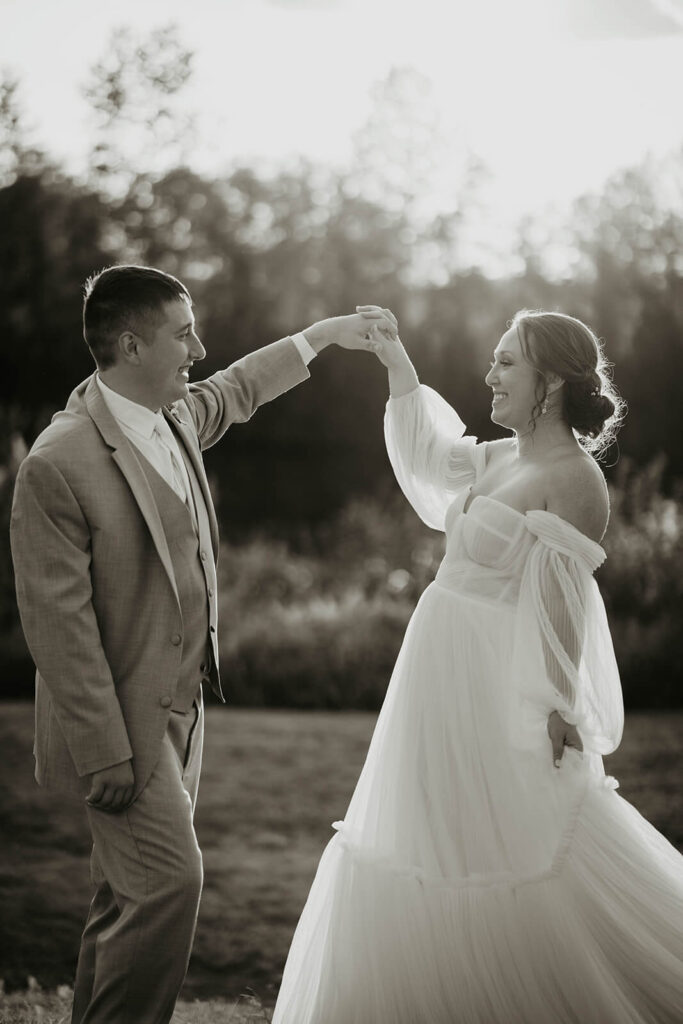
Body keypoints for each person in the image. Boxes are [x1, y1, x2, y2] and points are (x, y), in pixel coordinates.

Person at [9, 264, 397, 1024]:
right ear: (129, 343)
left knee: (125, 894)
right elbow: (58, 625)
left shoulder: (175, 414)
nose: (199, 347)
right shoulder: (59, 463)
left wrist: (321, 337)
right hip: (120, 724)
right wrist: (104, 750)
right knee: (168, 885)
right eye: (183, 334)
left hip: (181, 710)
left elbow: (238, 387)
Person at [273, 306, 683, 1024]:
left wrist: (557, 704)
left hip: (495, 682)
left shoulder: (575, 480)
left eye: (505, 363)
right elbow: (430, 461)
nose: (488, 375)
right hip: (433, 677)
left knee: (509, 838)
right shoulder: (498, 457)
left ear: (549, 382)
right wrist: (397, 362)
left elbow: (563, 603)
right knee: (422, 827)